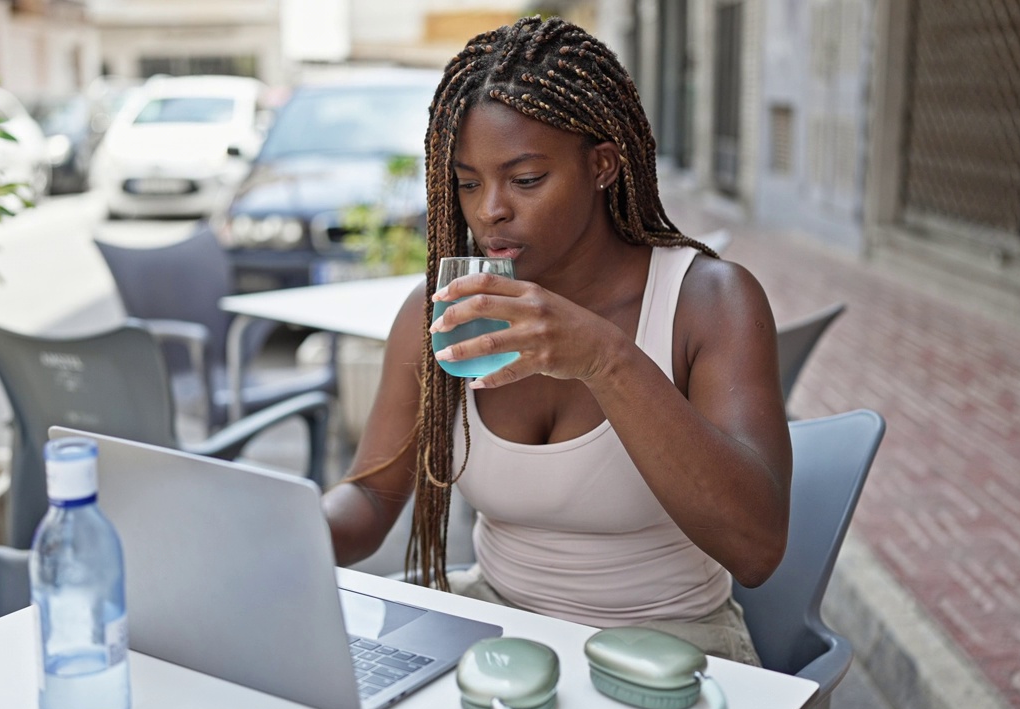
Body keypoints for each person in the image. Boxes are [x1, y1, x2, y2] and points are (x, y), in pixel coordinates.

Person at [322, 15, 790, 666]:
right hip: (496, 633)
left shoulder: (708, 304)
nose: (489, 211)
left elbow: (756, 547)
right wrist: (291, 530)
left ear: (602, 165)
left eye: (526, 179)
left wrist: (605, 360)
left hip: (671, 649)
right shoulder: (444, 310)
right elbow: (373, 497)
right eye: (467, 182)